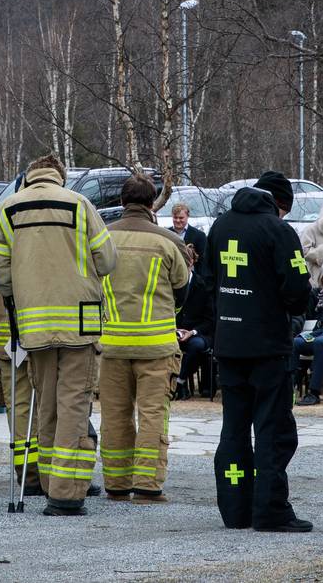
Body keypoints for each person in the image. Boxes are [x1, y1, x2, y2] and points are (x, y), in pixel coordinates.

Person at [0, 155, 118, 516]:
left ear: (29, 177)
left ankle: (46, 482)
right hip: (81, 321)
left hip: (33, 324)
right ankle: (67, 492)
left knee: (46, 404)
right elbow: (107, 260)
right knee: (74, 404)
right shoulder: (80, 204)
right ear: (60, 177)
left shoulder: (8, 209)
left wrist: (19, 291)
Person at [206, 182, 312, 532]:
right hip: (267, 345)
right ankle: (270, 510)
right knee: (272, 429)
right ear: (280, 204)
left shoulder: (220, 226)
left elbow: (207, 282)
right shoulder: (278, 230)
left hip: (229, 343)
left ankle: (235, 510)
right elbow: (298, 288)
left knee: (234, 428)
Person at [98, 173, 192, 502]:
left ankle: (117, 483)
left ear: (121, 202)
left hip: (111, 345)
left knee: (114, 415)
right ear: (152, 204)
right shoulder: (168, 242)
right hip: (156, 346)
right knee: (153, 414)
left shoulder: (102, 239)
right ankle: (148, 484)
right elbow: (183, 292)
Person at [292, 265, 323, 407]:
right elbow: (321, 322)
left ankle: (314, 392)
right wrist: (311, 334)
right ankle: (289, 385)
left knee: (320, 343)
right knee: (296, 342)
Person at [174, 253, 213, 401]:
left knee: (196, 346)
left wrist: (192, 332)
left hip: (199, 332)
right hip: (174, 330)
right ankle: (171, 384)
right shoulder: (169, 283)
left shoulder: (202, 286)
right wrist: (175, 330)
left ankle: (180, 381)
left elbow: (210, 319)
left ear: (191, 262)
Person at [168, 196, 212, 281]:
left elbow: (203, 261)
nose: (177, 220)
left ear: (187, 216)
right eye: (175, 217)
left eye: (181, 218)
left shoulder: (199, 236)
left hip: (192, 280)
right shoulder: (167, 234)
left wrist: (200, 281)